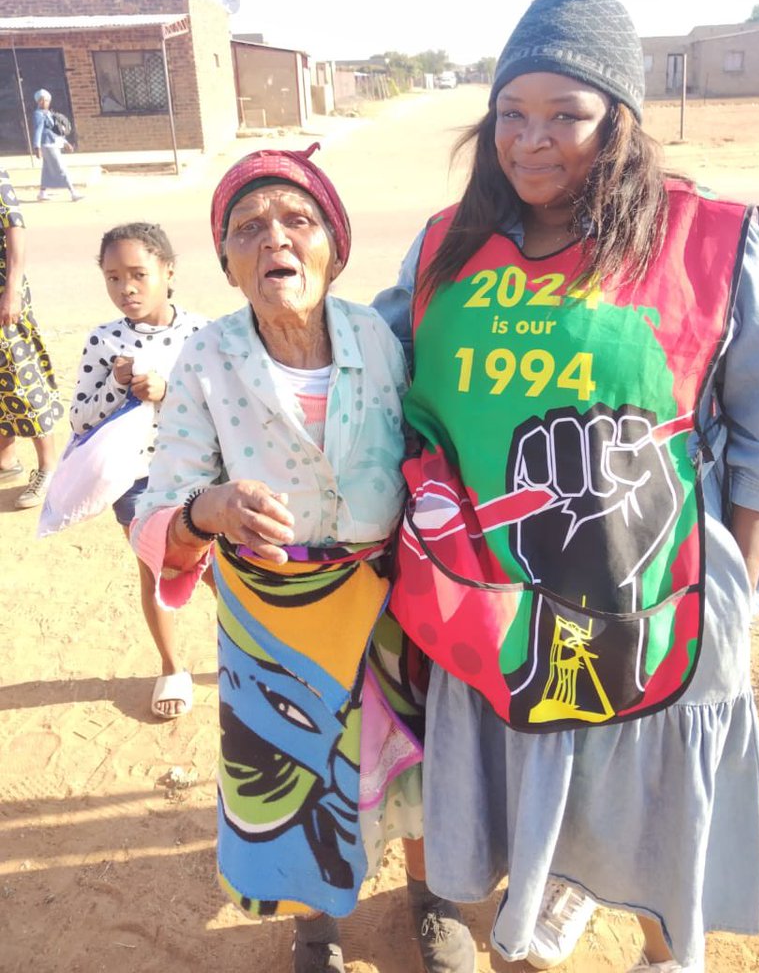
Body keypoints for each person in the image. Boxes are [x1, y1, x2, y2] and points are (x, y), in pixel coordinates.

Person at [373, 0, 759, 972]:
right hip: (492, 612)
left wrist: (737, 589)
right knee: (525, 811)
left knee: (662, 822)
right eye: (511, 114)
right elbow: (371, 372)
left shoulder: (707, 241)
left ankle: (668, 956)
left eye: (565, 115)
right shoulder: (445, 250)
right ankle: (539, 920)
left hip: (658, 608)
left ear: (617, 123)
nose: (531, 140)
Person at [130, 148, 476, 973]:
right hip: (276, 619)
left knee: (415, 760)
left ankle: (432, 901)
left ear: (334, 246)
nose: (272, 239)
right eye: (247, 229)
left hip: (392, 596)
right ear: (225, 263)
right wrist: (209, 509)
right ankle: (312, 926)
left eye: (296, 221)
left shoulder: (381, 337)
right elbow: (157, 514)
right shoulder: (208, 360)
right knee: (292, 775)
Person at [70, 223, 208, 719]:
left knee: (221, 570)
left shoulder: (202, 333)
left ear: (168, 271)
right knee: (156, 569)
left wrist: (168, 390)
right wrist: (116, 386)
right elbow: (80, 417)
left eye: (137, 274)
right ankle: (172, 665)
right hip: (137, 481)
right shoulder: (104, 341)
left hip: (200, 473)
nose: (125, 288)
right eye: (112, 277)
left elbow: (224, 405)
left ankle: (253, 654)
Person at [0, 167, 64, 508]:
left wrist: (12, 288)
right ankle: (6, 460)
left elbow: (15, 225)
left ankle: (48, 467)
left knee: (20, 377)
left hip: (1, 297)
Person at [32, 90, 82, 203]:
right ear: (40, 101)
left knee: (47, 169)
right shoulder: (38, 114)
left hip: (52, 142)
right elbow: (38, 130)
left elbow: (54, 131)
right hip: (47, 144)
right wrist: (37, 147)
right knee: (60, 167)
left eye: (48, 100)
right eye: (46, 100)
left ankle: (42, 193)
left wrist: (65, 142)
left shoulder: (48, 113)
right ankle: (73, 192)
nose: (47, 102)